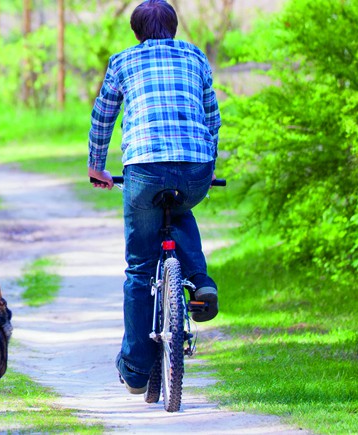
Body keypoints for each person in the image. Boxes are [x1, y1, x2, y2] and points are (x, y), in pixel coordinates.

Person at [85, 0, 221, 396]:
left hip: (144, 168)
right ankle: (199, 279)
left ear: (137, 32)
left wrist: (97, 167)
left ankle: (136, 369)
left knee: (140, 268)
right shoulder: (196, 57)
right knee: (178, 208)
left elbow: (103, 116)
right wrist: (208, 165)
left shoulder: (123, 61)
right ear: (174, 29)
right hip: (195, 165)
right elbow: (212, 116)